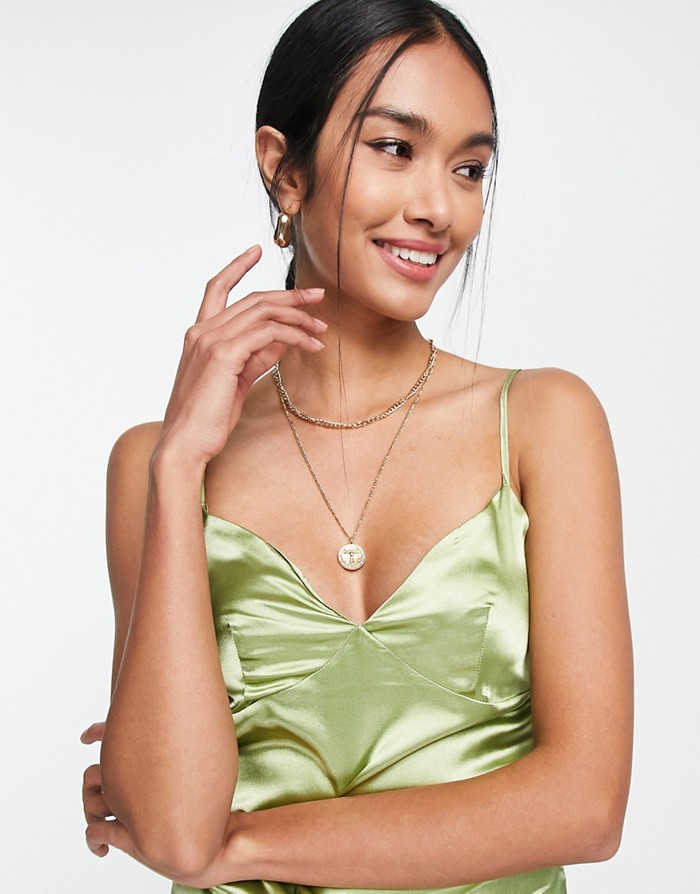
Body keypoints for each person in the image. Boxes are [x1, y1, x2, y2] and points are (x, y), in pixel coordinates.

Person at [81, 0, 633, 891]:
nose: (438, 207)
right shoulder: (156, 468)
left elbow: (585, 807)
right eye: (394, 147)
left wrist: (237, 844)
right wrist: (180, 463)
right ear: (285, 170)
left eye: (469, 168)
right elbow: (171, 830)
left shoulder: (543, 422)